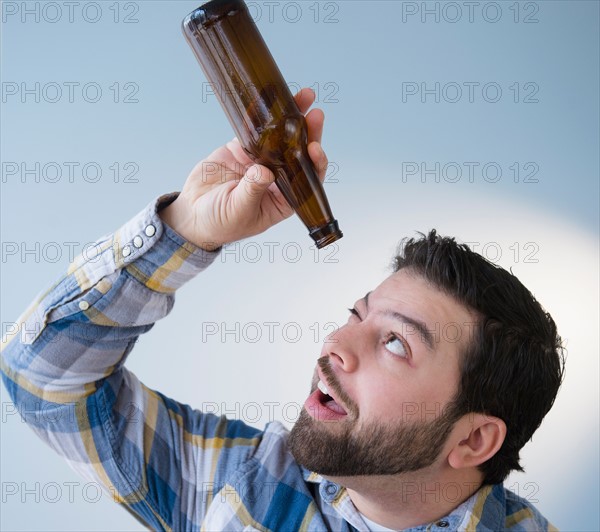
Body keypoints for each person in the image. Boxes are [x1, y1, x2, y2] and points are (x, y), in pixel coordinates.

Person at [1, 88, 564, 531]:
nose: (334, 348)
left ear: (472, 442)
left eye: (396, 342)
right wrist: (186, 233)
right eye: (356, 315)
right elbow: (43, 380)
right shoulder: (246, 486)